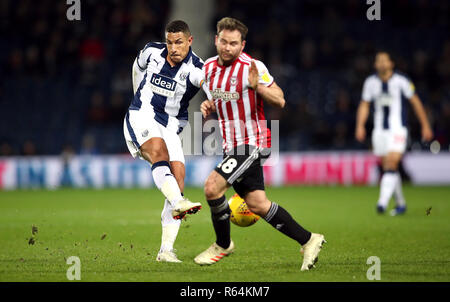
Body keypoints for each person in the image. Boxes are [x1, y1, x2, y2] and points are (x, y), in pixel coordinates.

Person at [194, 17, 325, 271]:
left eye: (233, 43)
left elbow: (280, 100)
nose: (227, 48)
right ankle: (309, 240)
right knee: (257, 204)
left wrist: (258, 88)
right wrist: (208, 105)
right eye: (223, 42)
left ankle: (222, 244)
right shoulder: (208, 68)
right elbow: (217, 99)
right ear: (216, 40)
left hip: (253, 142)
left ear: (242, 45)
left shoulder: (252, 67)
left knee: (212, 187)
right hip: (231, 145)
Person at [123, 20, 207, 263]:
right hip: (142, 114)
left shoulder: (196, 68)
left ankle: (166, 251)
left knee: (178, 177)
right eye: (170, 42)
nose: (173, 48)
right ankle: (179, 201)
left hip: (171, 125)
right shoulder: (151, 51)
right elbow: (137, 67)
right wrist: (137, 93)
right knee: (158, 152)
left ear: (190, 41)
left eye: (179, 42)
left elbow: (207, 84)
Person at [355, 51, 433, 216]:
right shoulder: (370, 82)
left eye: (385, 60)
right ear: (375, 65)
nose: (382, 63)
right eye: (379, 61)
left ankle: (382, 203)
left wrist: (425, 125)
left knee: (391, 163)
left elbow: (416, 103)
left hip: (398, 129)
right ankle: (401, 204)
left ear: (391, 63)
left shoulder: (401, 81)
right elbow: (364, 105)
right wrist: (360, 125)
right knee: (389, 167)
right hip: (379, 131)